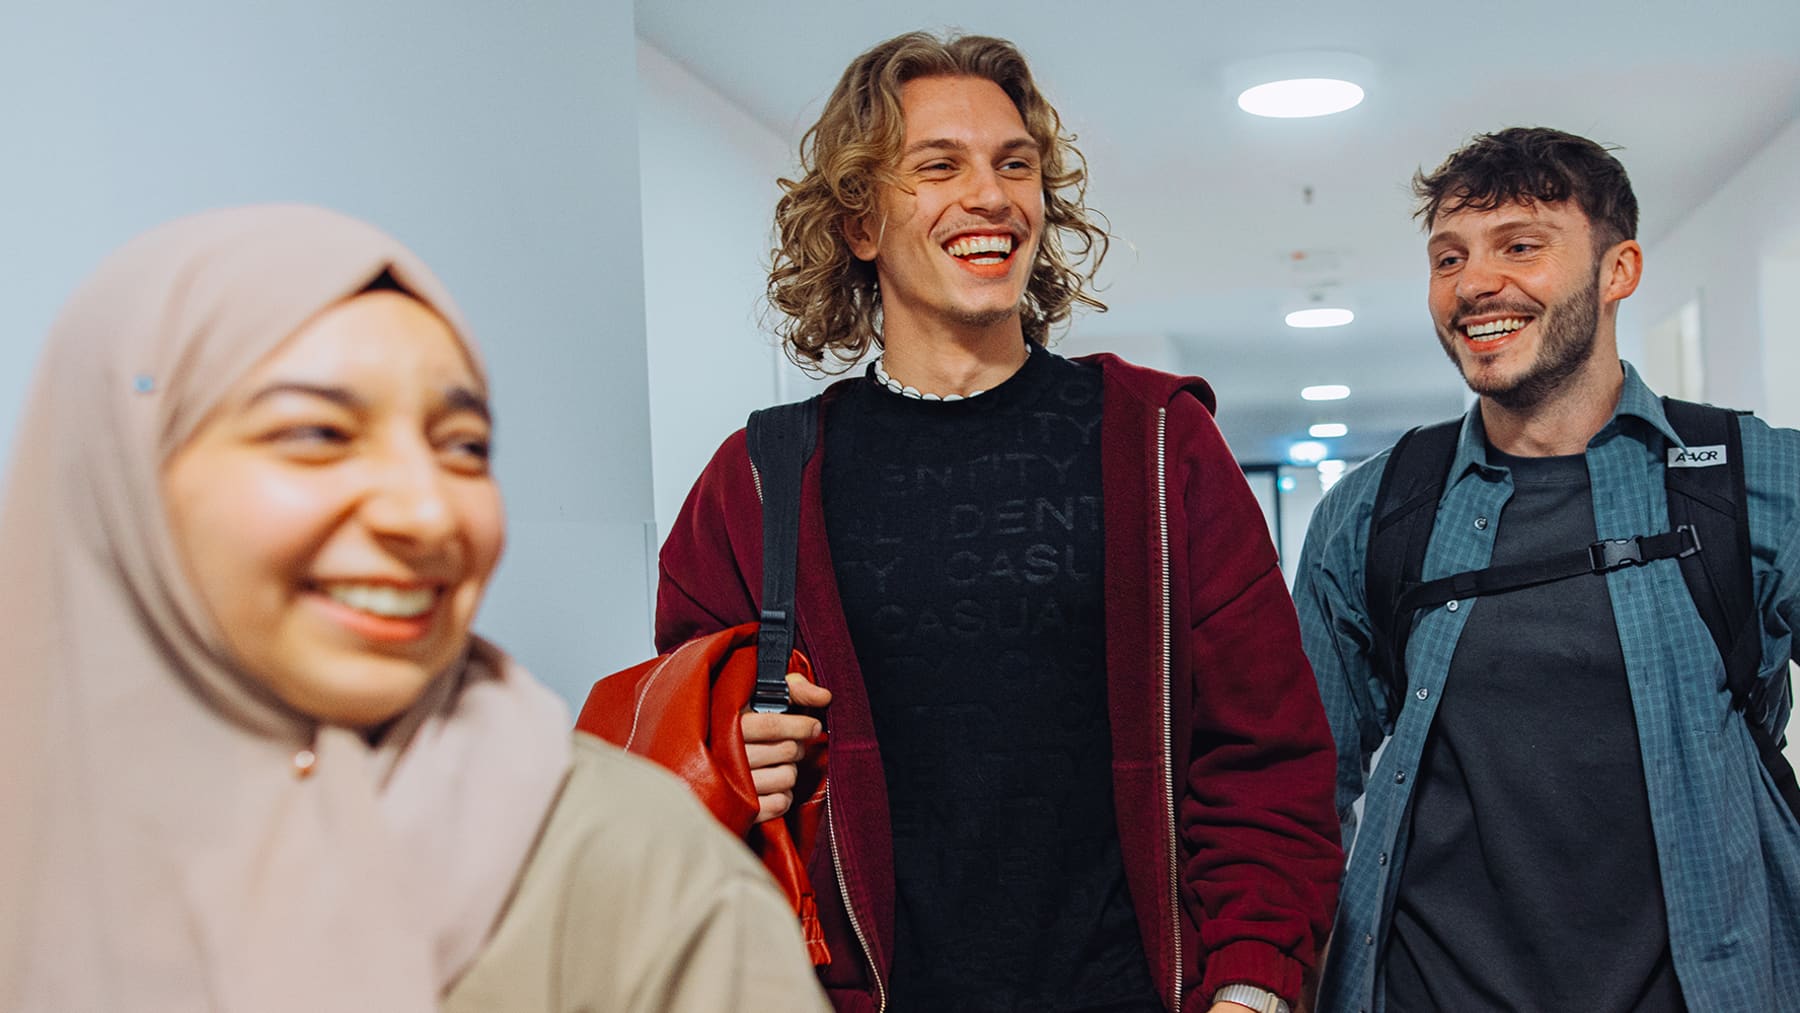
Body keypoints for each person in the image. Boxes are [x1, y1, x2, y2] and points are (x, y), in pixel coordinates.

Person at [656, 32, 1342, 1013]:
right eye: (940, 166)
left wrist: (1251, 987)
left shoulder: (1158, 443)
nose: (992, 197)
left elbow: (1266, 759)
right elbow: (672, 750)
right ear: (858, 221)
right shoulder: (761, 481)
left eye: (1014, 165)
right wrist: (731, 753)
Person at [0, 204, 828, 1012]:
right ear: (120, 470)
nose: (428, 513)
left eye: (462, 446)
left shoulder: (633, 868)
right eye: (318, 433)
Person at [1295, 127, 1800, 1012]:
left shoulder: (1754, 477)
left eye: (1520, 246)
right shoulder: (1373, 513)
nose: (1475, 283)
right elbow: (1300, 796)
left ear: (1619, 271)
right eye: (1448, 257)